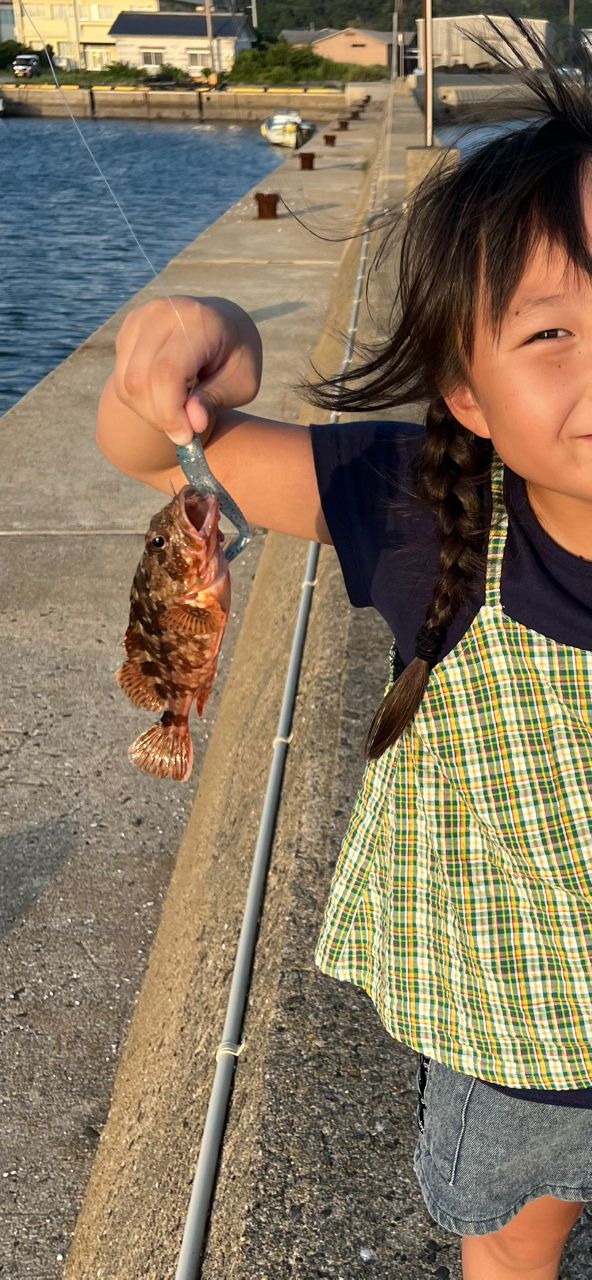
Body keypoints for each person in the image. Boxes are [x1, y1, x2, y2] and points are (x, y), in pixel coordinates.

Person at [97, 21, 592, 1280]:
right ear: (466, 395)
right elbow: (159, 455)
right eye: (549, 334)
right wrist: (191, 339)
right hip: (521, 1036)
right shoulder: (417, 512)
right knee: (514, 1230)